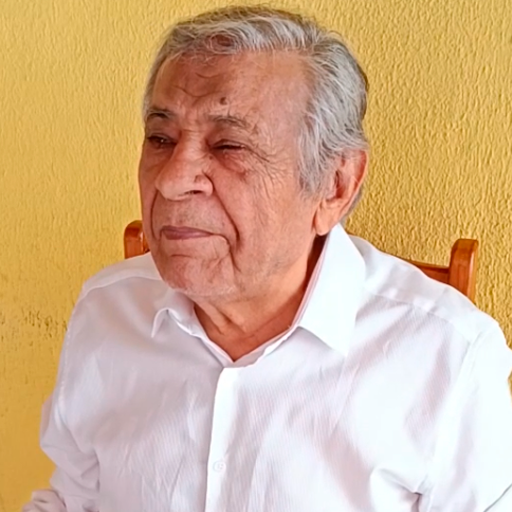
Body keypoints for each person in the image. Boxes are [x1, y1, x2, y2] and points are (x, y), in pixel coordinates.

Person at [23, 6, 512, 512]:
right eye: (160, 139)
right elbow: (74, 499)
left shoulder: (447, 356)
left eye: (229, 145)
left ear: (335, 185)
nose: (171, 180)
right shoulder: (108, 311)